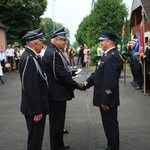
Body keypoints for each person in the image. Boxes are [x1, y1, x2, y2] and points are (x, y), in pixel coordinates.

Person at [42, 27, 85, 150]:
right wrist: (77, 85)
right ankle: (57, 147)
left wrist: (70, 72)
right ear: (55, 40)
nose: (65, 42)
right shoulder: (53, 53)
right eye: (63, 40)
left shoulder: (54, 51)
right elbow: (59, 75)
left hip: (56, 93)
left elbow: (60, 71)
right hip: (57, 94)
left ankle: (58, 145)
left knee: (58, 122)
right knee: (57, 122)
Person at [84, 30, 123, 150]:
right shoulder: (107, 55)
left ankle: (113, 147)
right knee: (108, 125)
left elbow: (110, 81)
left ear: (109, 41)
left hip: (108, 100)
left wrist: (105, 100)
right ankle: (111, 145)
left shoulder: (112, 57)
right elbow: (98, 73)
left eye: (102, 40)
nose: (100, 42)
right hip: (105, 98)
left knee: (110, 125)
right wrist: (88, 83)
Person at [18, 28, 50, 150]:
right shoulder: (29, 58)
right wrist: (37, 110)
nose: (42, 45)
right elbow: (30, 87)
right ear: (35, 43)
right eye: (41, 42)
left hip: (34, 107)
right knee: (35, 141)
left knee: (36, 139)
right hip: (34, 109)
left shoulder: (31, 56)